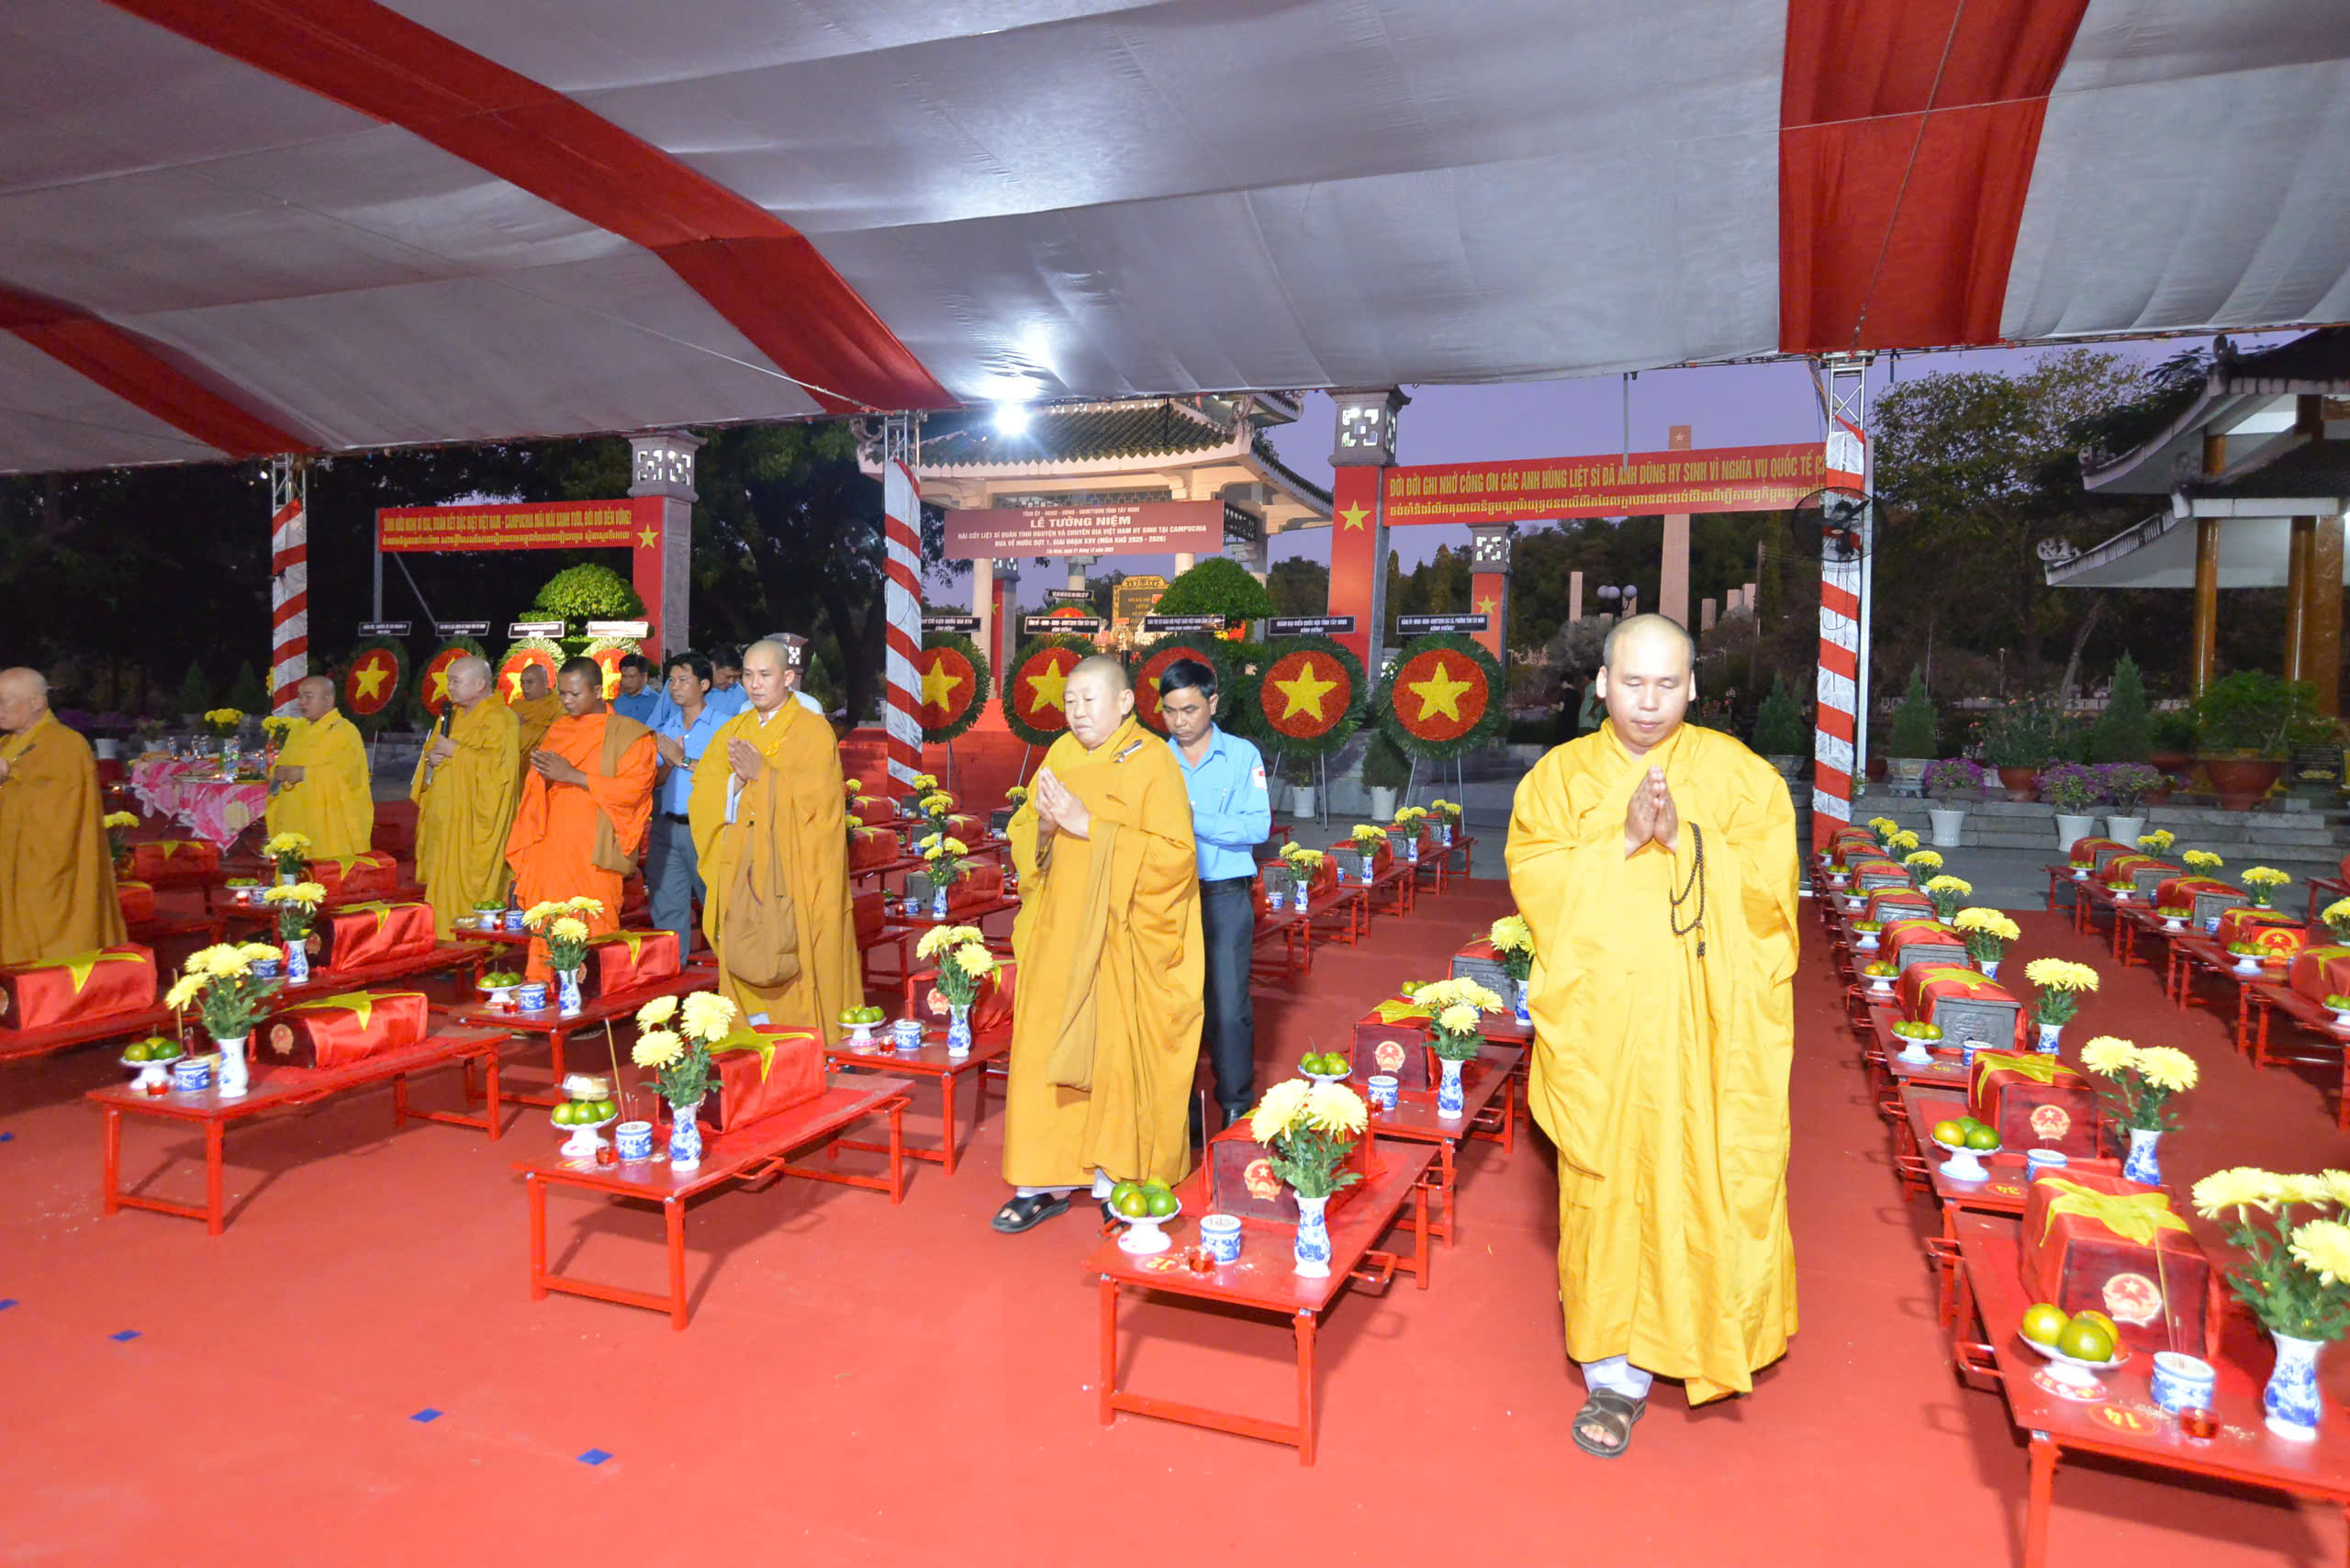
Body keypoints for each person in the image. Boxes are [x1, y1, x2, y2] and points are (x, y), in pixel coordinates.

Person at [1505, 613, 1797, 1458]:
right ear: (1602, 683)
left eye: (1667, 684)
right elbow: (1536, 882)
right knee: (1609, 1182)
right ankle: (1614, 1371)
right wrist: (1624, 840)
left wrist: (1689, 841)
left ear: (1694, 688)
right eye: (1632, 682)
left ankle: (1713, 1327)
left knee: (1715, 1171)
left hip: (1710, 1030)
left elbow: (1775, 901)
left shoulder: (1742, 778)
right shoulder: (1560, 779)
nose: (1648, 702)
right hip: (1605, 1029)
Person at [992, 655, 1203, 1234]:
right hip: (1059, 933)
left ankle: (1116, 1178)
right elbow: (1024, 834)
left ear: (1125, 703)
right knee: (1043, 1049)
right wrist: (1043, 826)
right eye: (1069, 701)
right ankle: (1042, 1179)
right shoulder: (1059, 754)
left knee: (1112, 1055)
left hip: (1120, 937)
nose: (1077, 712)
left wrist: (1089, 826)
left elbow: (1176, 859)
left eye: (1089, 700)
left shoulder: (1152, 761)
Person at [688, 638, 860, 1033]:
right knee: (745, 949)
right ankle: (748, 1041)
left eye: (765, 675)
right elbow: (704, 794)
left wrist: (763, 776)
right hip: (743, 869)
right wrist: (736, 782)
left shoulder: (814, 732)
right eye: (748, 675)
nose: (755, 684)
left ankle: (810, 1042)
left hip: (796, 870)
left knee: (802, 952)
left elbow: (820, 807)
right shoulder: (734, 730)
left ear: (787, 678)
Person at [1158, 657, 1270, 1132]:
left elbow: (1257, 828)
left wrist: (1190, 818)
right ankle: (1178, 1115)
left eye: (1189, 710)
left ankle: (1235, 1107)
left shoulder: (1242, 756)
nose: (1179, 721)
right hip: (1166, 898)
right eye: (1169, 711)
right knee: (1172, 1008)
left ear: (1213, 702)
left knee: (1227, 1008)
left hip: (1224, 898)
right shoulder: (1155, 759)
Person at [504, 656, 656, 982]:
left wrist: (573, 775)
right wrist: (542, 775)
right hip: (552, 845)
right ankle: (544, 988)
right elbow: (536, 787)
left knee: (593, 920)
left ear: (599, 691)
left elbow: (635, 789)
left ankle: (592, 998)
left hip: (595, 849)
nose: (567, 701)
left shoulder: (629, 734)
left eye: (575, 694)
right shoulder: (558, 729)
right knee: (548, 918)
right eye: (562, 694)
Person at [0, 668, 126, 966]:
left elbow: (61, 810)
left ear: (36, 703)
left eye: (4, 701)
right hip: (8, 862)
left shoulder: (68, 745)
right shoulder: (5, 746)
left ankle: (47, 988)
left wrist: (9, 777)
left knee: (45, 942)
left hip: (49, 868)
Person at [408, 655, 520, 938]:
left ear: (480, 683)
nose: (449, 687)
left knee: (474, 880)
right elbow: (432, 756)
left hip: (475, 821)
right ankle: (442, 936)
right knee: (442, 879)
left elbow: (499, 773)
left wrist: (456, 752)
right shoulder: (449, 717)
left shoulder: (502, 720)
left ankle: (477, 942)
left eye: (456, 681)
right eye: (450, 681)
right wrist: (430, 760)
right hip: (445, 819)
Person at [647, 652, 723, 958]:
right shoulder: (666, 729)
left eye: (682, 680)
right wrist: (668, 764)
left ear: (704, 684)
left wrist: (683, 760)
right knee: (667, 910)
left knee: (719, 909)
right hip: (667, 828)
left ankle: (732, 976)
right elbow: (655, 780)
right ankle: (673, 975)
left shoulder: (725, 727)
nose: (674, 687)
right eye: (671, 680)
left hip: (708, 829)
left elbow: (730, 775)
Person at [265, 674, 374, 860]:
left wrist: (305, 773)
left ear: (328, 700)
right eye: (300, 697)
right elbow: (281, 766)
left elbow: (349, 776)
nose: (302, 702)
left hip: (327, 820)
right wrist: (278, 773)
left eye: (309, 697)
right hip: (293, 815)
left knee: (325, 872)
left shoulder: (345, 732)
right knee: (293, 870)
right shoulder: (298, 729)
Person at [509, 663, 565, 782]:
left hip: (541, 772)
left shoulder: (558, 706)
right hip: (513, 772)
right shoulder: (516, 706)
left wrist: (523, 726)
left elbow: (554, 740)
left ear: (545, 682)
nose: (525, 687)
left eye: (530, 682)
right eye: (522, 682)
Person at [610, 654, 662, 725]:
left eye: (632, 677)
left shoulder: (658, 702)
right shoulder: (619, 702)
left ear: (644, 676)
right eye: (624, 676)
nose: (628, 681)